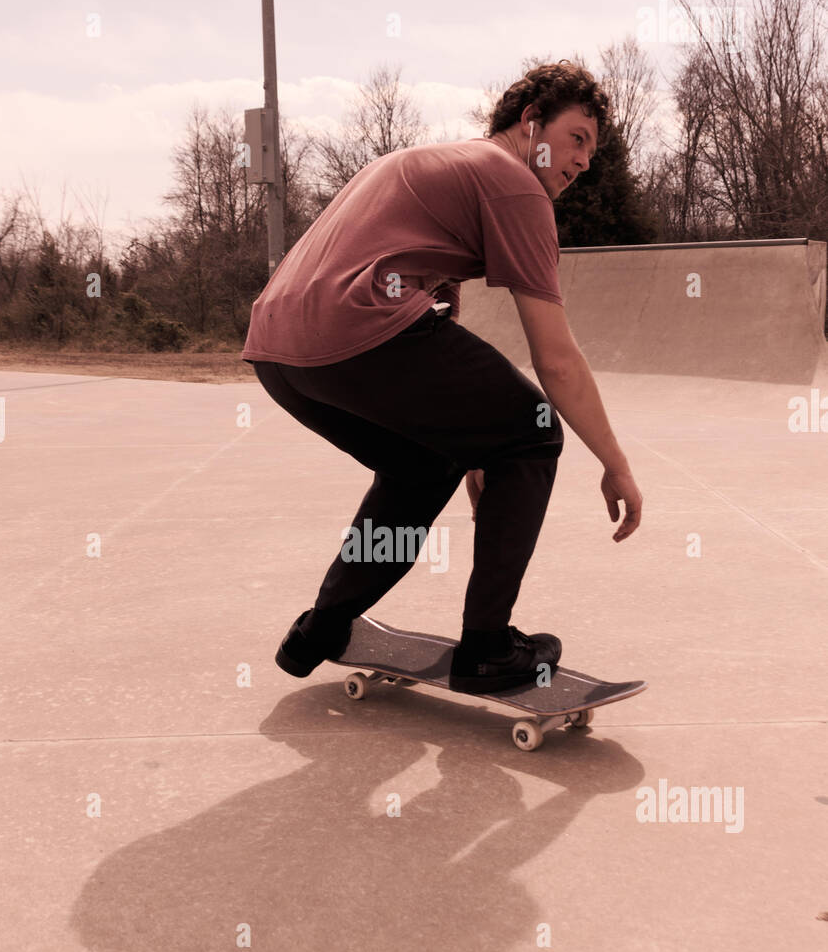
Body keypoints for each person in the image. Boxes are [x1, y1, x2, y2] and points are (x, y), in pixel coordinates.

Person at [244, 61, 643, 694]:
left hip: (276, 352)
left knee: (424, 465)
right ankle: (487, 649)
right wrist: (615, 463)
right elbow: (556, 358)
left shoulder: (432, 165)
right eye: (577, 138)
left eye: (593, 149)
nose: (585, 161)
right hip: (358, 331)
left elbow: (436, 324)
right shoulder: (515, 184)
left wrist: (473, 447)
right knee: (534, 431)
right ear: (531, 124)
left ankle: (322, 626)